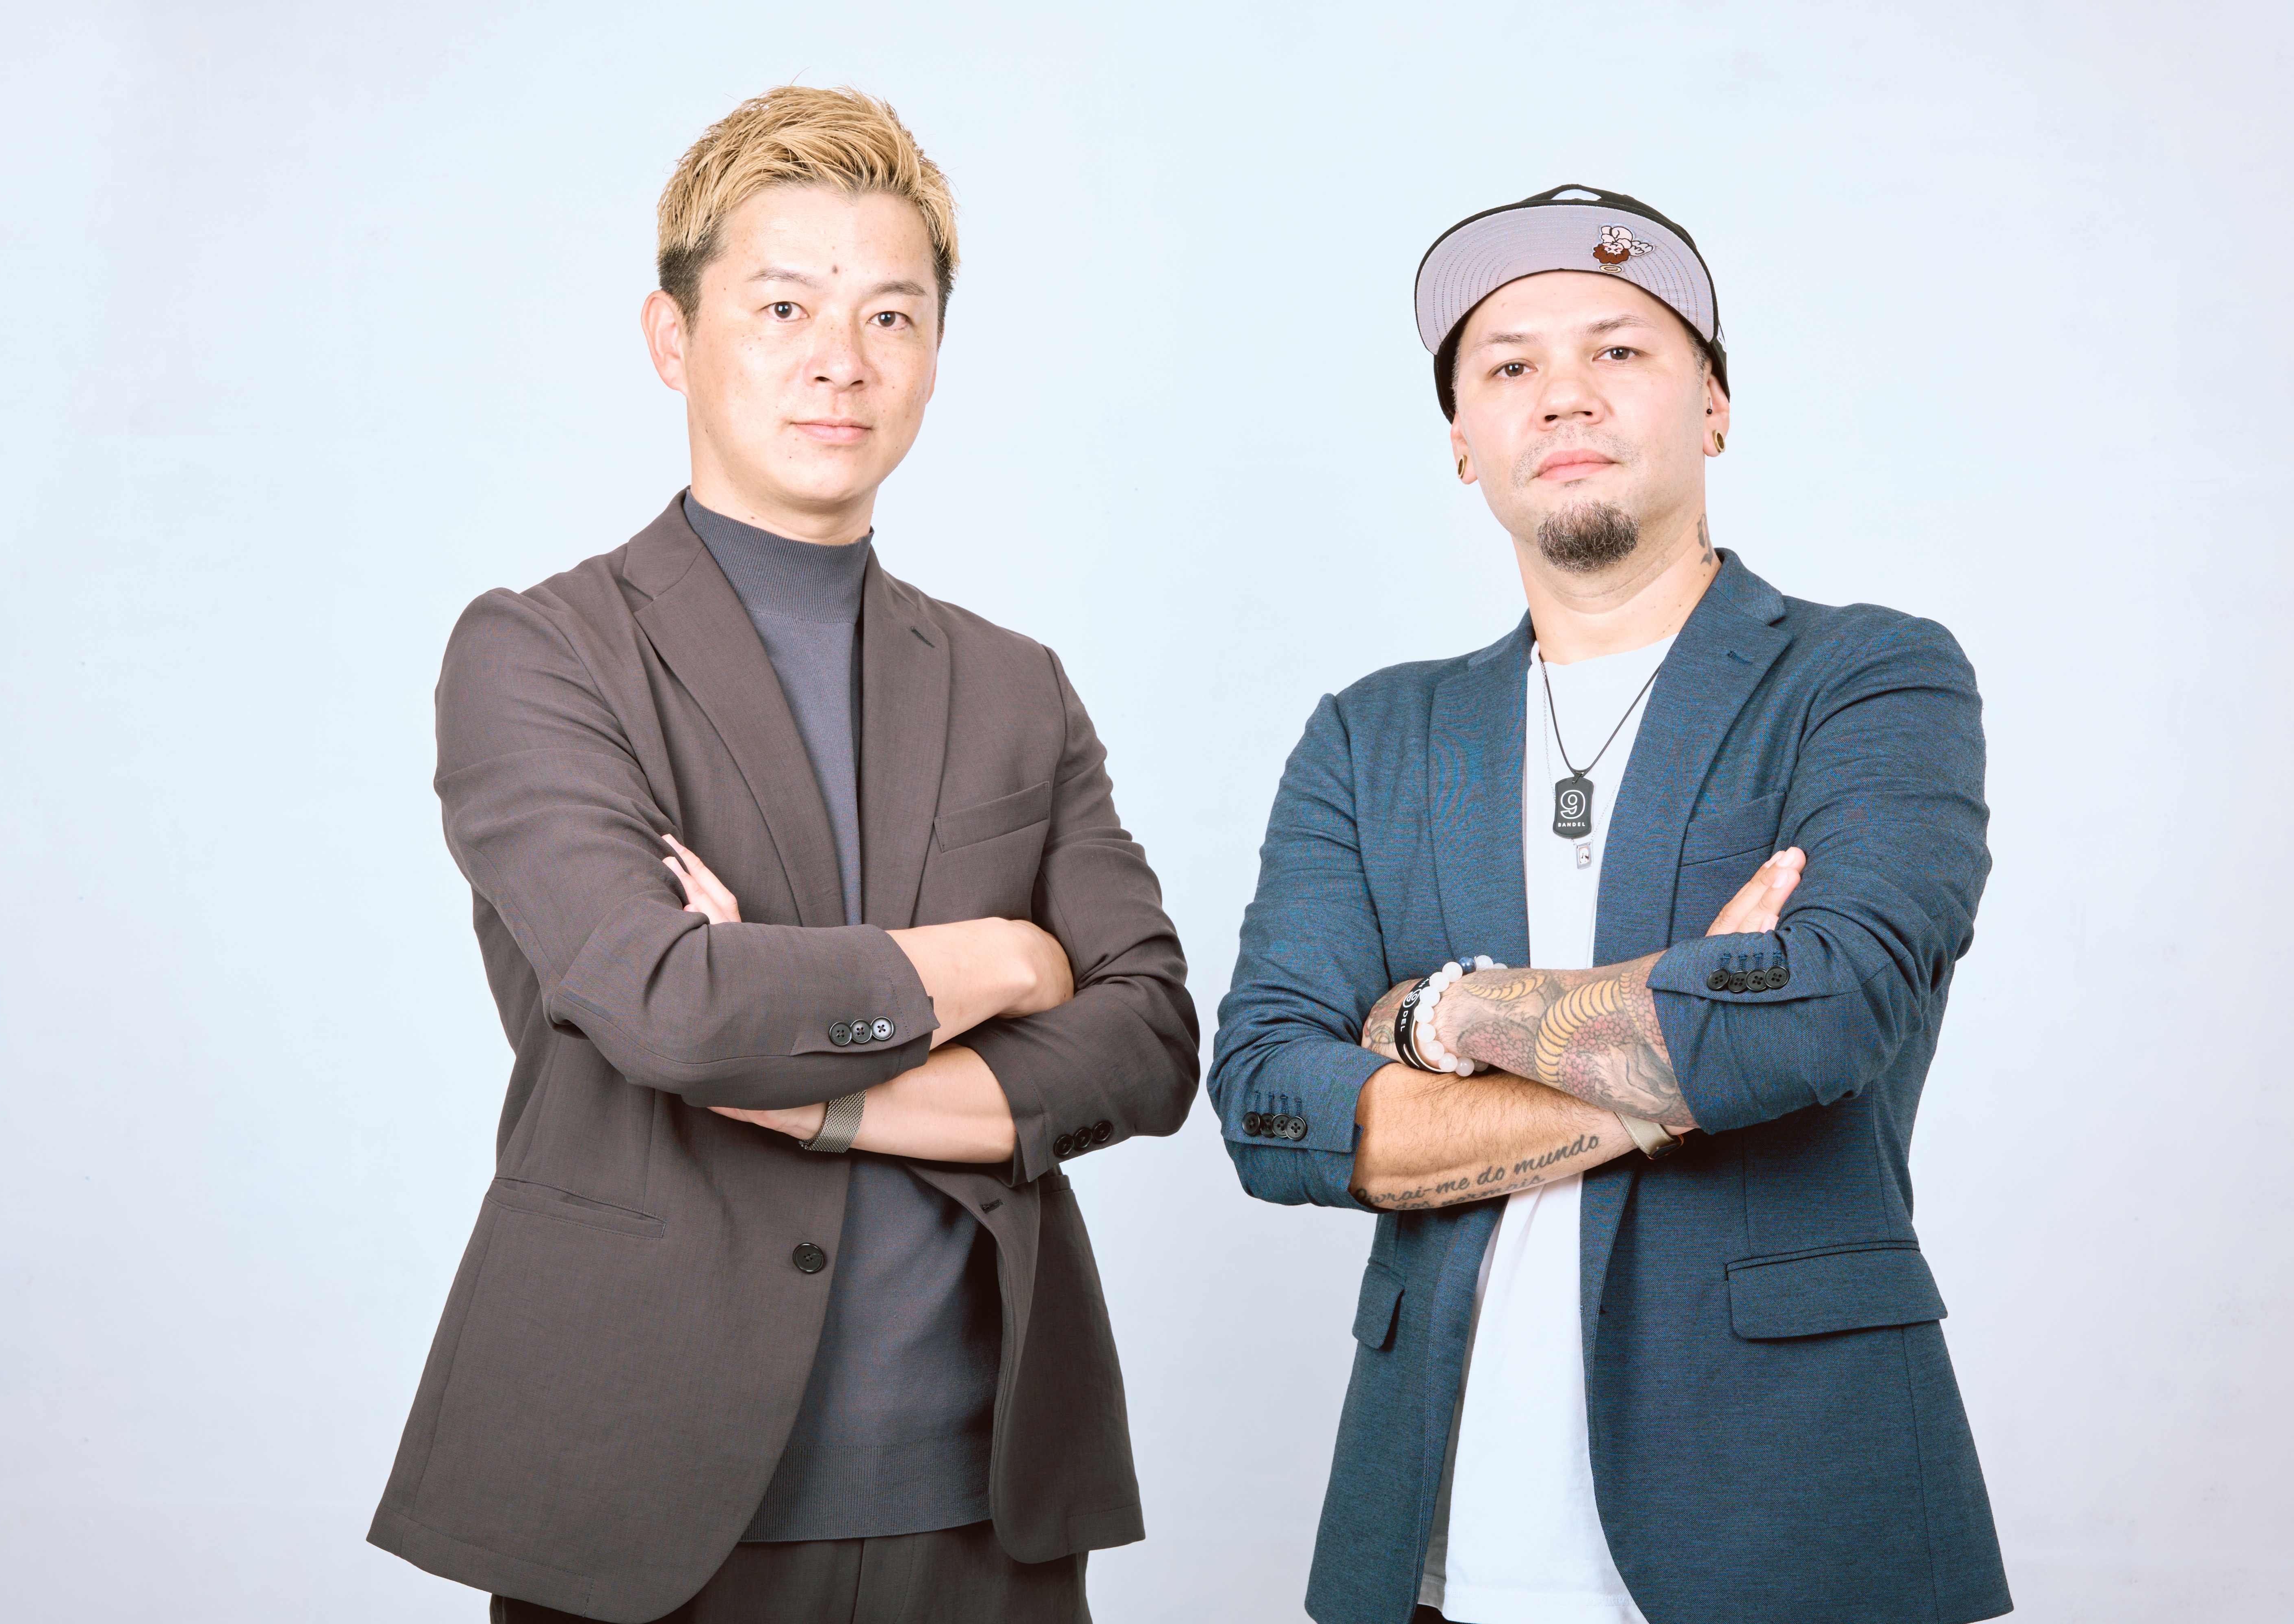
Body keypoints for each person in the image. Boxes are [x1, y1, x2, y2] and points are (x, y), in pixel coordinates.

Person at [367, 86, 1198, 1624]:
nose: (842, 359)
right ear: (672, 337)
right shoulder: (541, 653)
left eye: (893, 314)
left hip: (985, 1493)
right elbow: (672, 1008)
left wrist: (817, 1094)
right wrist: (1008, 960)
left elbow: (1149, 1041)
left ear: (934, 354)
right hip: (642, 1485)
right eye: (784, 307)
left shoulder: (1016, 684)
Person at [1210, 185, 2009, 1624]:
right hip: (1434, 1545)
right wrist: (1695, 1036)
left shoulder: (1872, 679)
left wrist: (1444, 1016)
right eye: (1509, 364)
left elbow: (1824, 1016)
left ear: (1714, 406)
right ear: (1464, 440)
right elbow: (1273, 1104)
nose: (1564, 393)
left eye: (1620, 350)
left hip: (1794, 1520)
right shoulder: (1371, 738)